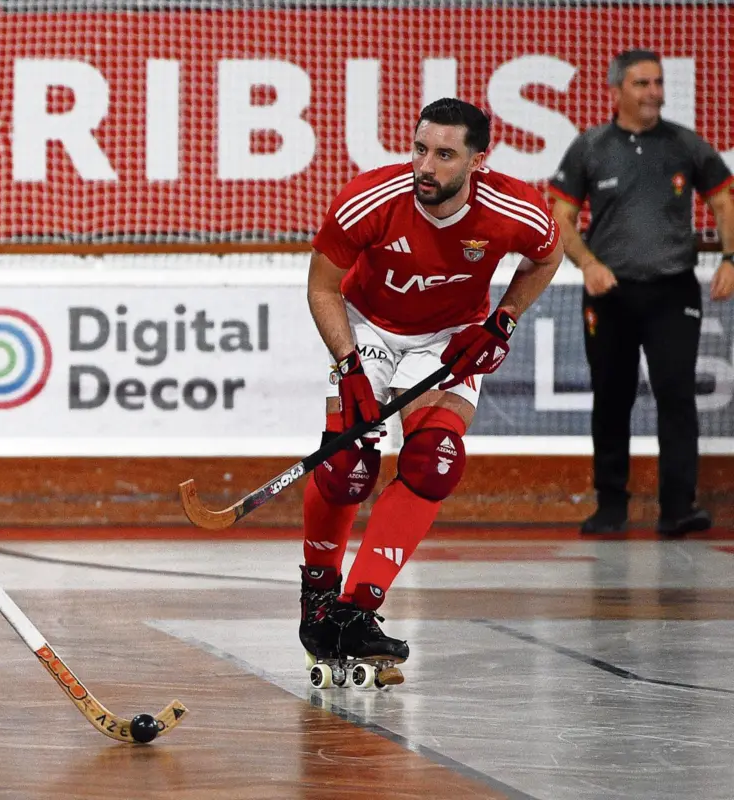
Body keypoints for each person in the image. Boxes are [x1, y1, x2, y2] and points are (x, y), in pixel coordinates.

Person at [301, 98, 564, 668]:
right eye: (421, 149)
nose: (426, 165)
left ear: (477, 162)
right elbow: (322, 287)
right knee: (348, 466)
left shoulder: (515, 209)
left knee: (432, 461)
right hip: (368, 325)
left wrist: (505, 317)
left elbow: (548, 256)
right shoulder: (369, 198)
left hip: (450, 334)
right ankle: (318, 599)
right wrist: (349, 367)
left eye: (445, 155)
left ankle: (356, 609)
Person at [548, 49, 734, 537]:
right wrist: (587, 263)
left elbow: (722, 198)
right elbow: (560, 218)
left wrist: (732, 260)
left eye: (657, 82)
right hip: (610, 295)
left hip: (674, 291)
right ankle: (611, 505)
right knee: (612, 397)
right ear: (615, 92)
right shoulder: (590, 147)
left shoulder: (685, 145)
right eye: (641, 84)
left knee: (676, 396)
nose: (654, 92)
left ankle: (677, 509)